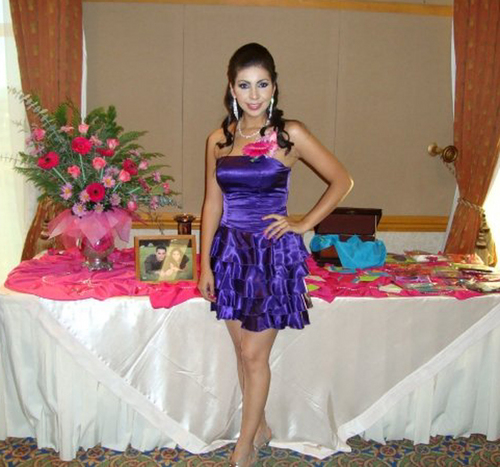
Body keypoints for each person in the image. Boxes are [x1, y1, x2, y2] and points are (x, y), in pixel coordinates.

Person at [198, 43, 353, 467]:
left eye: (262, 84)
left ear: (274, 87)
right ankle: (260, 427)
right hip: (229, 254)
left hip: (270, 256)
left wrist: (304, 223)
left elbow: (342, 180)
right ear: (232, 88)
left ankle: (243, 448)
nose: (254, 95)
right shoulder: (219, 139)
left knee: (254, 354)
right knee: (240, 352)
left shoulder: (290, 135)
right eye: (244, 85)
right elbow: (212, 203)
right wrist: (205, 262)